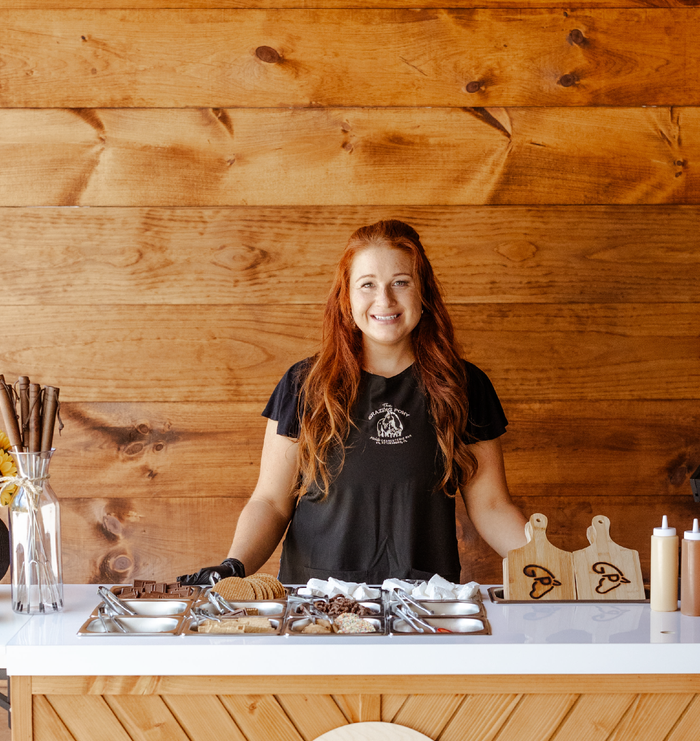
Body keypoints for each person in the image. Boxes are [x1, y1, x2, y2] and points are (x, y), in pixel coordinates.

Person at [189, 218, 528, 588]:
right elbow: (271, 502)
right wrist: (233, 566)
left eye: (401, 282)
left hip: (423, 603)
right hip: (316, 604)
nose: (385, 300)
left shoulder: (463, 386)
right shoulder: (304, 385)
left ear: (423, 293)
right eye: (367, 285)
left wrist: (548, 565)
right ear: (346, 298)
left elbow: (493, 507)